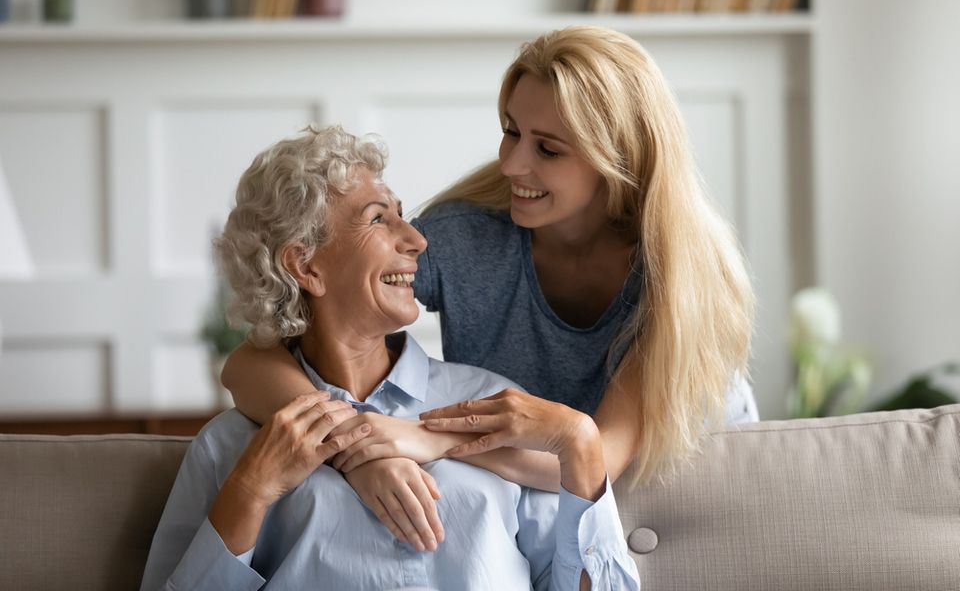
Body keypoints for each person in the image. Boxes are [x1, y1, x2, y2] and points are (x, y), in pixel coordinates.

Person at [221, 26, 759, 548]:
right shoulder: (468, 239)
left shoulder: (676, 277)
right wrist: (356, 450)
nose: (510, 163)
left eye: (547, 149)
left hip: (677, 489)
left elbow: (597, 455)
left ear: (617, 159)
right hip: (541, 495)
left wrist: (428, 439)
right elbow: (249, 363)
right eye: (510, 130)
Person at [139, 126, 641, 590]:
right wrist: (251, 490)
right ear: (306, 265)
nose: (418, 240)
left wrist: (579, 443)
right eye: (379, 218)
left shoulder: (490, 404)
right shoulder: (231, 448)